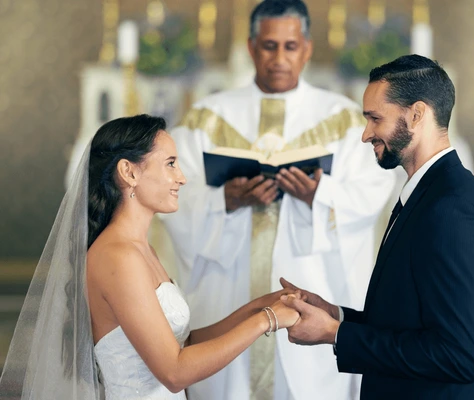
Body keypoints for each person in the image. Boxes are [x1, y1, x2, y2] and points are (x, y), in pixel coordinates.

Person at [159, 1, 395, 399]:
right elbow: (172, 195)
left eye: (290, 46)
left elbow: (372, 193)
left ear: (306, 48)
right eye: (269, 46)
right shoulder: (206, 117)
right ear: (251, 48)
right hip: (227, 298)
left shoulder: (344, 118)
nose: (279, 58)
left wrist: (319, 193)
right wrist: (225, 201)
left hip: (311, 287)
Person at [0, 114, 299, 400]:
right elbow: (174, 372)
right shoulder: (118, 256)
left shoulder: (141, 250)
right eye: (170, 164)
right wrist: (266, 321)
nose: (181, 178)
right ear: (129, 172)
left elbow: (185, 344)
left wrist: (261, 304)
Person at [280, 55, 474, 399]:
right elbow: (410, 322)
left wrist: (336, 335)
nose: (365, 134)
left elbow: (458, 355)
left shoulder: (453, 210)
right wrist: (337, 315)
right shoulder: (429, 194)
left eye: (375, 118)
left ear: (416, 115)